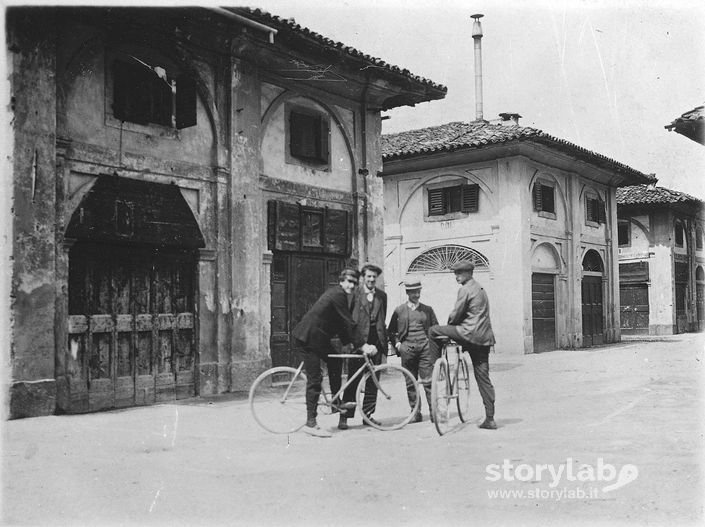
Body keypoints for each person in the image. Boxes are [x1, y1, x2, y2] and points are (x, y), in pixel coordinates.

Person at [292, 268, 367, 437]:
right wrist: (362, 345)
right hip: (308, 338)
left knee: (335, 361)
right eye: (348, 281)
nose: (351, 285)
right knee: (315, 379)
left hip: (318, 339)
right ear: (341, 281)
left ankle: (335, 402)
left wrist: (350, 343)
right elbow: (348, 322)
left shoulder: (341, 295)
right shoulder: (338, 294)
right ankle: (310, 423)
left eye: (354, 283)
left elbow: (340, 324)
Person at [428, 260, 497, 430]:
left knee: (433, 330)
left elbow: (456, 315)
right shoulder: (481, 288)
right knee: (483, 377)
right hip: (484, 339)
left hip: (468, 334)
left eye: (458, 274)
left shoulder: (465, 289)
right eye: (455, 274)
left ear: (468, 273)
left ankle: (434, 369)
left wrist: (449, 327)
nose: (456, 277)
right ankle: (490, 418)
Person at [337, 263, 388, 430]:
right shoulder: (354, 294)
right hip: (359, 343)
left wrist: (383, 342)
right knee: (354, 380)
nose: (371, 279)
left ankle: (368, 416)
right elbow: (348, 320)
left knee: (373, 381)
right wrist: (355, 342)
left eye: (374, 277)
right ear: (363, 278)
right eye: (368, 276)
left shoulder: (382, 296)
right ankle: (344, 417)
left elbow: (382, 319)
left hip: (377, 343)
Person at [387, 278, 439, 423]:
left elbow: (435, 328)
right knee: (410, 382)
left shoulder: (427, 310)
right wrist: (398, 345)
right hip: (407, 350)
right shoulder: (399, 310)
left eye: (418, 291)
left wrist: (431, 344)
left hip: (425, 349)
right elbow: (391, 331)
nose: (416, 295)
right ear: (407, 292)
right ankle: (415, 412)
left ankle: (434, 411)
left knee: (428, 381)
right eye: (413, 292)